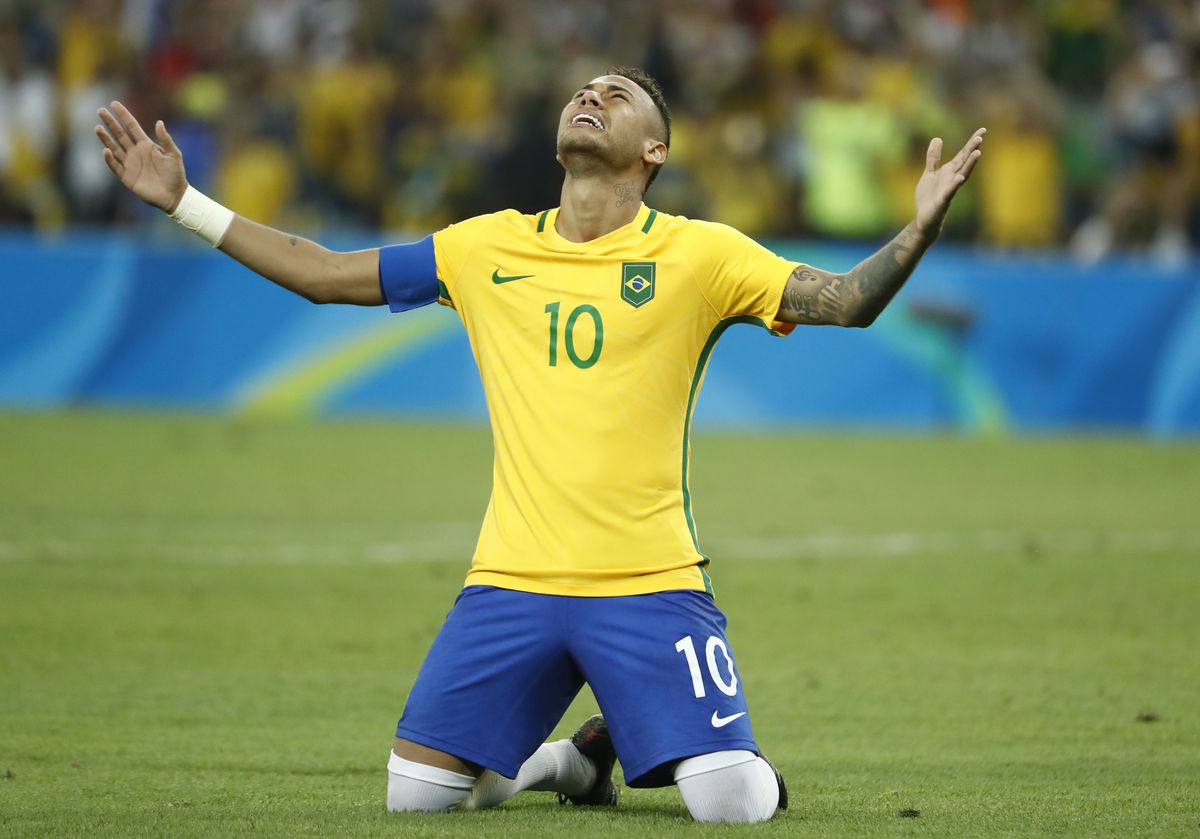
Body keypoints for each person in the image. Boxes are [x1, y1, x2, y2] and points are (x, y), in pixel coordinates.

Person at [95, 66, 984, 824]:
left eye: (621, 95)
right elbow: (325, 273)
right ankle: (575, 759)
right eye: (586, 89)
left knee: (729, 802)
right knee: (417, 798)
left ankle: (634, 748)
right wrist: (184, 202)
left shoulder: (701, 256)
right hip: (510, 580)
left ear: (655, 153)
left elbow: (847, 299)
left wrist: (916, 232)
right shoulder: (483, 249)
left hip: (648, 581)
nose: (593, 94)